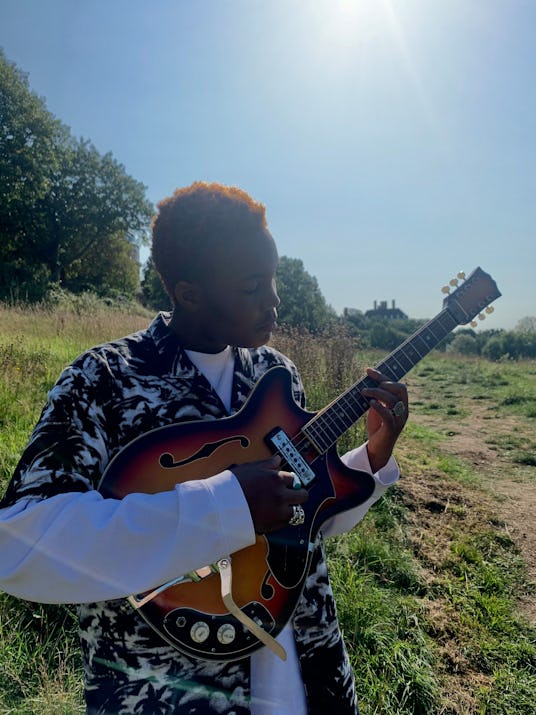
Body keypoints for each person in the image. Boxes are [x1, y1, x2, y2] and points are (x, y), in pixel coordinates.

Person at [0, 182, 408, 715]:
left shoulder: (277, 374)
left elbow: (301, 517)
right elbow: (22, 547)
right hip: (169, 694)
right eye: (251, 286)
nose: (274, 300)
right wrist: (226, 507)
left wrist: (372, 459)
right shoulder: (102, 380)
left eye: (273, 278)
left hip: (307, 673)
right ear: (189, 292)